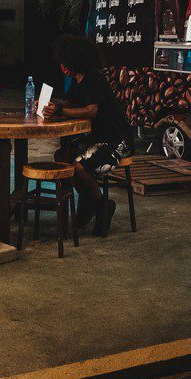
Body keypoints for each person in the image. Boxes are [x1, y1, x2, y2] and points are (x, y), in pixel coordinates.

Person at [43, 35, 134, 236]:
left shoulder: (93, 77)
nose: (63, 67)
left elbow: (90, 111)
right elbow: (71, 103)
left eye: (65, 63)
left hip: (116, 139)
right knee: (63, 157)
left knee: (78, 165)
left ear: (76, 60)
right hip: (96, 138)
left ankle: (101, 205)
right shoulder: (78, 79)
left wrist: (59, 111)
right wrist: (53, 106)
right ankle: (90, 202)